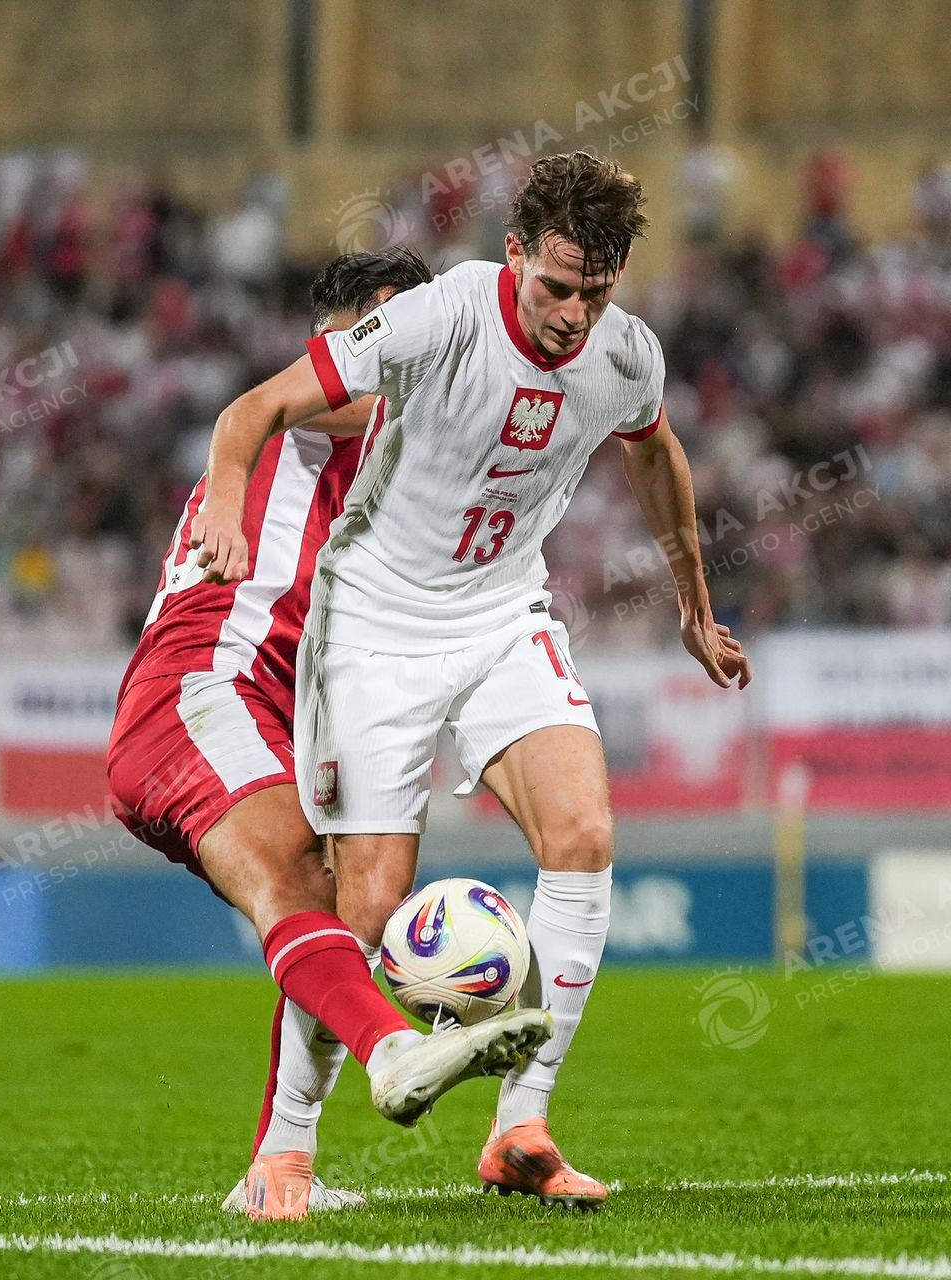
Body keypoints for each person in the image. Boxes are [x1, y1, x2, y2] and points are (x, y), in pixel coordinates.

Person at [186, 152, 752, 1209]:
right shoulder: (440, 315)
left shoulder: (627, 354)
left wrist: (692, 600)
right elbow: (256, 408)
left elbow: (655, 453)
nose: (574, 315)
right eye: (557, 286)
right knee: (364, 907)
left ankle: (521, 1128)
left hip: (503, 615)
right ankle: (283, 1153)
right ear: (514, 253)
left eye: (596, 293)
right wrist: (226, 496)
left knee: (583, 835)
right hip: (375, 626)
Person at [106, 247, 551, 1223]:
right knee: (298, 878)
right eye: (394, 332)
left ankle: (281, 1168)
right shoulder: (319, 411)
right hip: (201, 690)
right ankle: (393, 1050)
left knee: (346, 908)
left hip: (285, 716)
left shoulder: (400, 467)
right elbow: (273, 411)